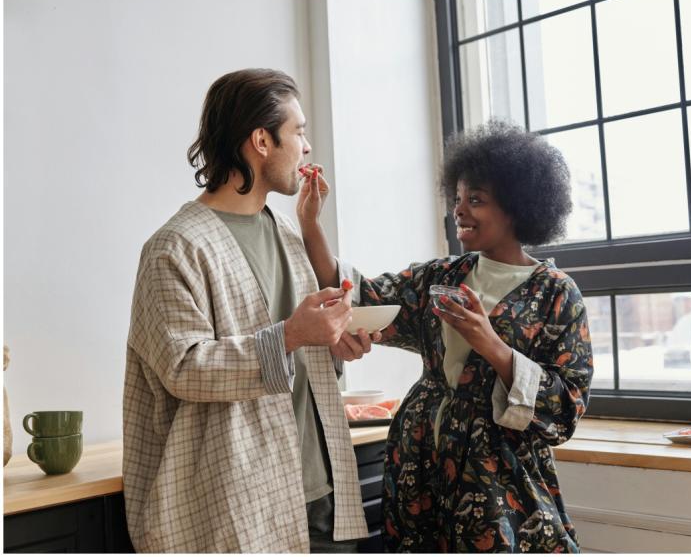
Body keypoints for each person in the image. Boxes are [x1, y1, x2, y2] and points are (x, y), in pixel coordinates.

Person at [297, 119, 594, 552]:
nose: (459, 209)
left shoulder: (556, 293)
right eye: (457, 198)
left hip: (496, 476)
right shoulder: (442, 276)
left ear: (518, 206)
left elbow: (567, 404)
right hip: (419, 463)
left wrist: (490, 344)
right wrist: (310, 225)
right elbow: (357, 299)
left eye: (476, 200)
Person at [123, 68, 379, 553]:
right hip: (239, 506)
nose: (306, 147)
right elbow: (184, 369)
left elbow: (299, 358)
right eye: (298, 132)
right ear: (261, 140)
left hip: (322, 494)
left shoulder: (286, 231)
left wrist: (334, 343)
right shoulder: (174, 248)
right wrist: (290, 335)